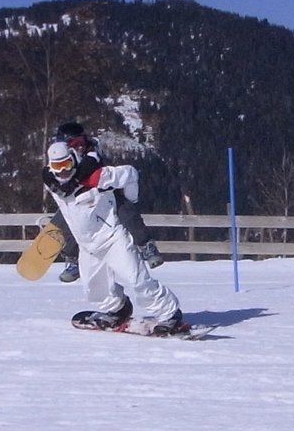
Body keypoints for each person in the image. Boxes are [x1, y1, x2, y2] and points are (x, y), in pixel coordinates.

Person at [42, 141, 187, 334]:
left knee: (136, 279)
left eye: (67, 164)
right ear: (51, 167)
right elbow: (53, 181)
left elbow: (130, 174)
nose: (63, 171)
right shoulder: (53, 184)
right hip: (88, 245)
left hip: (113, 238)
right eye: (58, 166)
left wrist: (131, 200)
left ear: (74, 159)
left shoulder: (97, 176)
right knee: (94, 288)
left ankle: (170, 314)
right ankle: (118, 309)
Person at [48, 122, 163, 283]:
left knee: (126, 210)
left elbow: (90, 165)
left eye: (81, 141)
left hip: (103, 191)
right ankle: (72, 258)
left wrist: (73, 182)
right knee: (70, 221)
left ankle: (146, 244)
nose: (80, 146)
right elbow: (49, 174)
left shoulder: (91, 151)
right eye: (74, 144)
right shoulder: (60, 158)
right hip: (78, 199)